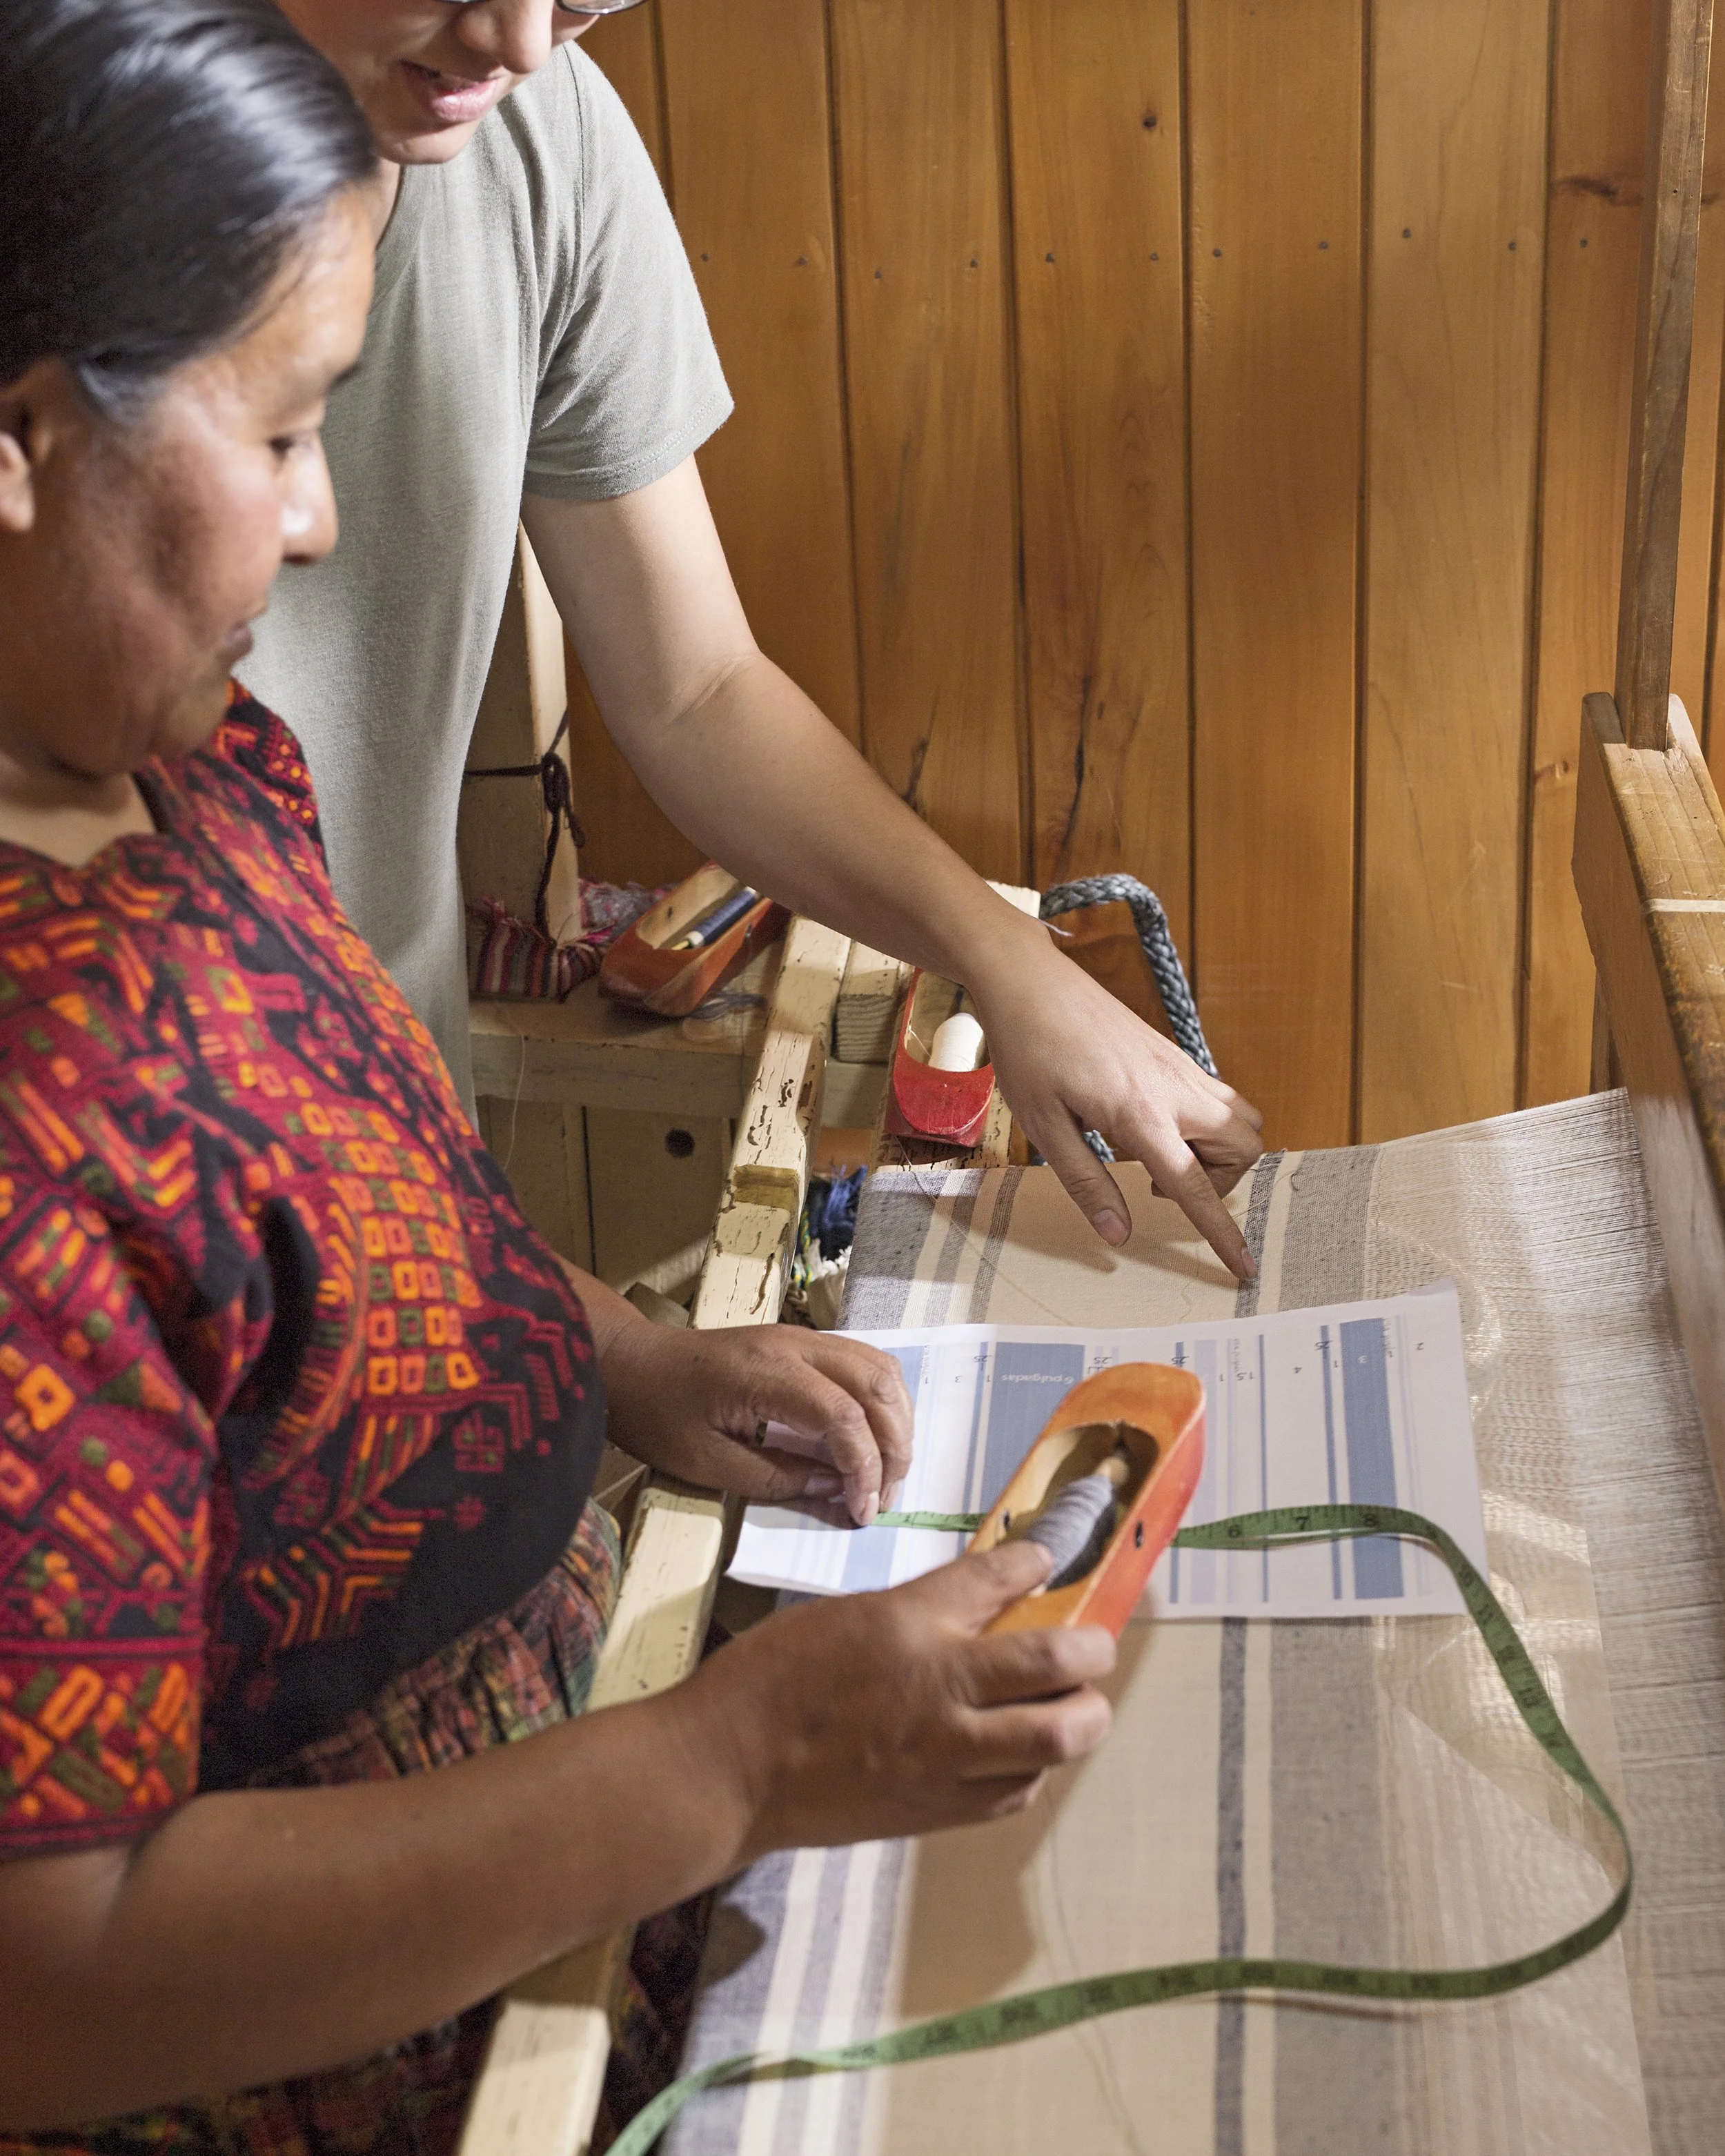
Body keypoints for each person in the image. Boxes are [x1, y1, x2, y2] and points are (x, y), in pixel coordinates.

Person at [0, 6, 1114, 2150]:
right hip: (307, 2051)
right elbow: (52, 1979)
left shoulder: (185, 762)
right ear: (25, 436)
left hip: (534, 1805)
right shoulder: (40, 1121)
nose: (332, 526)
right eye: (288, 430)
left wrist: (604, 1353)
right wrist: (731, 1765)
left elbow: (358, 1177)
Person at [244, 0, 1267, 1281]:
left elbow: (697, 685)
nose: (518, 39)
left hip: (388, 1162)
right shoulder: (64, 180)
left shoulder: (536, 133)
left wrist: (1007, 961)